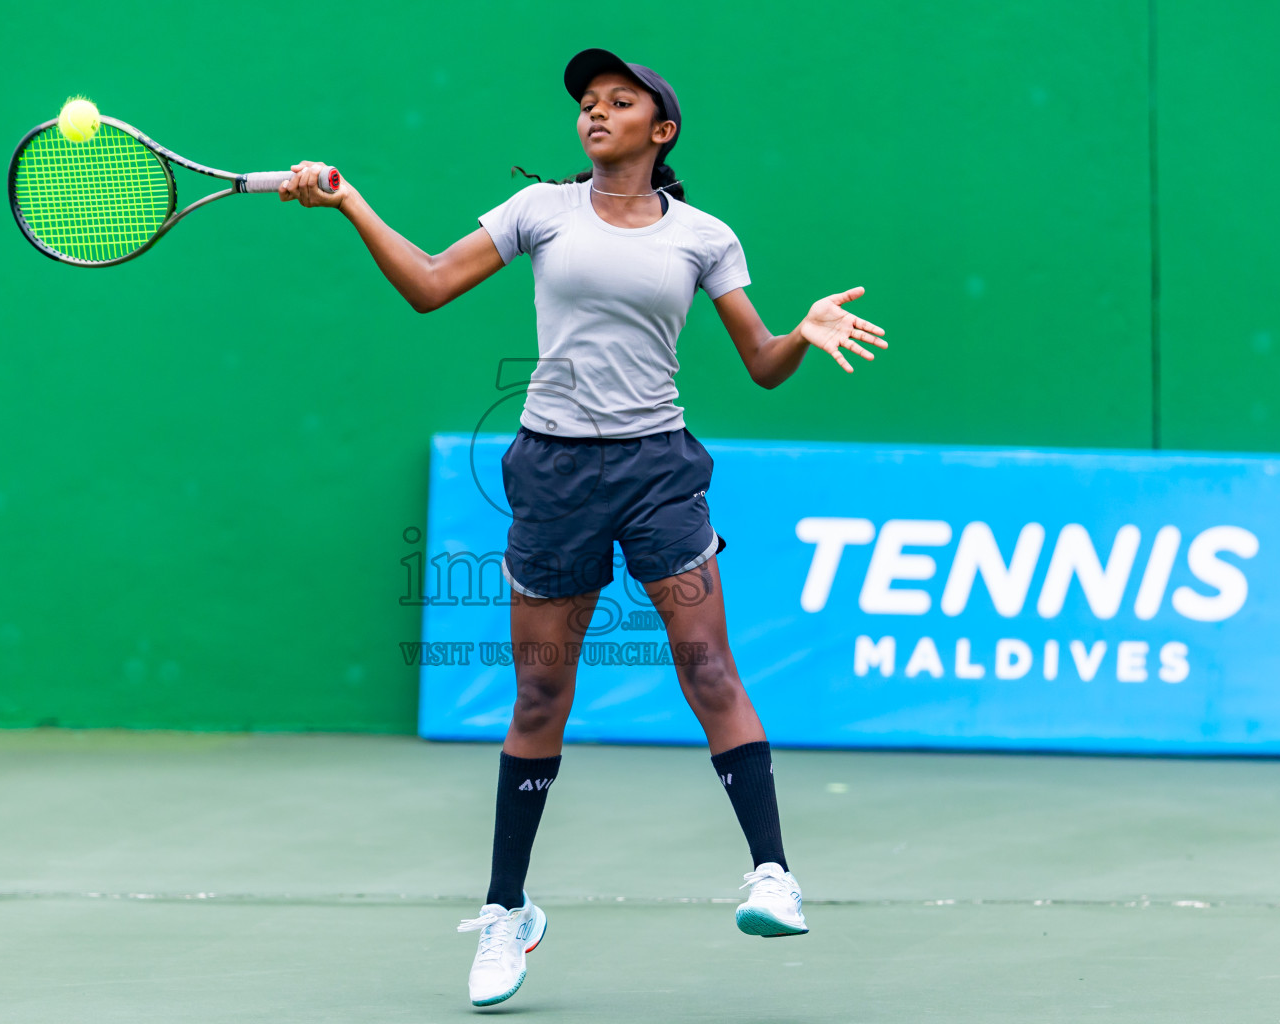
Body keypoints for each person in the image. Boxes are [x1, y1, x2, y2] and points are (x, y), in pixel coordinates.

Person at [279, 46, 888, 1009]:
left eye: (619, 102)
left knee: (709, 668)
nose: (595, 114)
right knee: (539, 699)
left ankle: (773, 873)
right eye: (587, 104)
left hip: (657, 471)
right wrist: (352, 202)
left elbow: (762, 363)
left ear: (662, 128)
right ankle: (507, 913)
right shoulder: (539, 213)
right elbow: (430, 284)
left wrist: (801, 335)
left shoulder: (705, 237)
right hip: (555, 471)